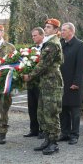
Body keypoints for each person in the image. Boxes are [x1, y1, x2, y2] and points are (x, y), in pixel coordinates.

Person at [24, 19, 63, 155]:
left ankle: (54, 143)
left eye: (48, 27)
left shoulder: (52, 44)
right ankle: (47, 139)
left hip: (52, 82)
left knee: (51, 112)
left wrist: (30, 75)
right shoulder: (48, 42)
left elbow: (43, 64)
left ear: (56, 30)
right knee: (42, 111)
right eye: (46, 27)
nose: (45, 29)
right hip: (45, 82)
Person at [59, 22, 83, 145]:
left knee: (74, 111)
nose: (62, 32)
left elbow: (81, 67)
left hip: (73, 83)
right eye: (61, 30)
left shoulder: (80, 45)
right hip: (61, 83)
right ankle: (65, 133)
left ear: (71, 31)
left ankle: (74, 134)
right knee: (63, 109)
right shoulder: (61, 44)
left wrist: (76, 82)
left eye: (64, 30)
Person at [23, 27, 44, 139]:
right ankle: (34, 129)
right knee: (32, 106)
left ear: (41, 35)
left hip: (41, 82)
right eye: (32, 36)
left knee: (41, 106)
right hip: (31, 82)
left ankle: (42, 130)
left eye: (35, 35)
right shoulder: (30, 49)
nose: (33, 37)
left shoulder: (46, 48)